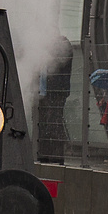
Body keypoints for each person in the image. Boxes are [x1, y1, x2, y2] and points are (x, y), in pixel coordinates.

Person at [35, 31, 73, 163]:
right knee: (43, 124)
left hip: (56, 91)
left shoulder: (62, 43)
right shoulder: (41, 46)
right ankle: (43, 154)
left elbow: (62, 59)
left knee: (54, 123)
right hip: (41, 92)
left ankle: (57, 155)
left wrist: (46, 50)